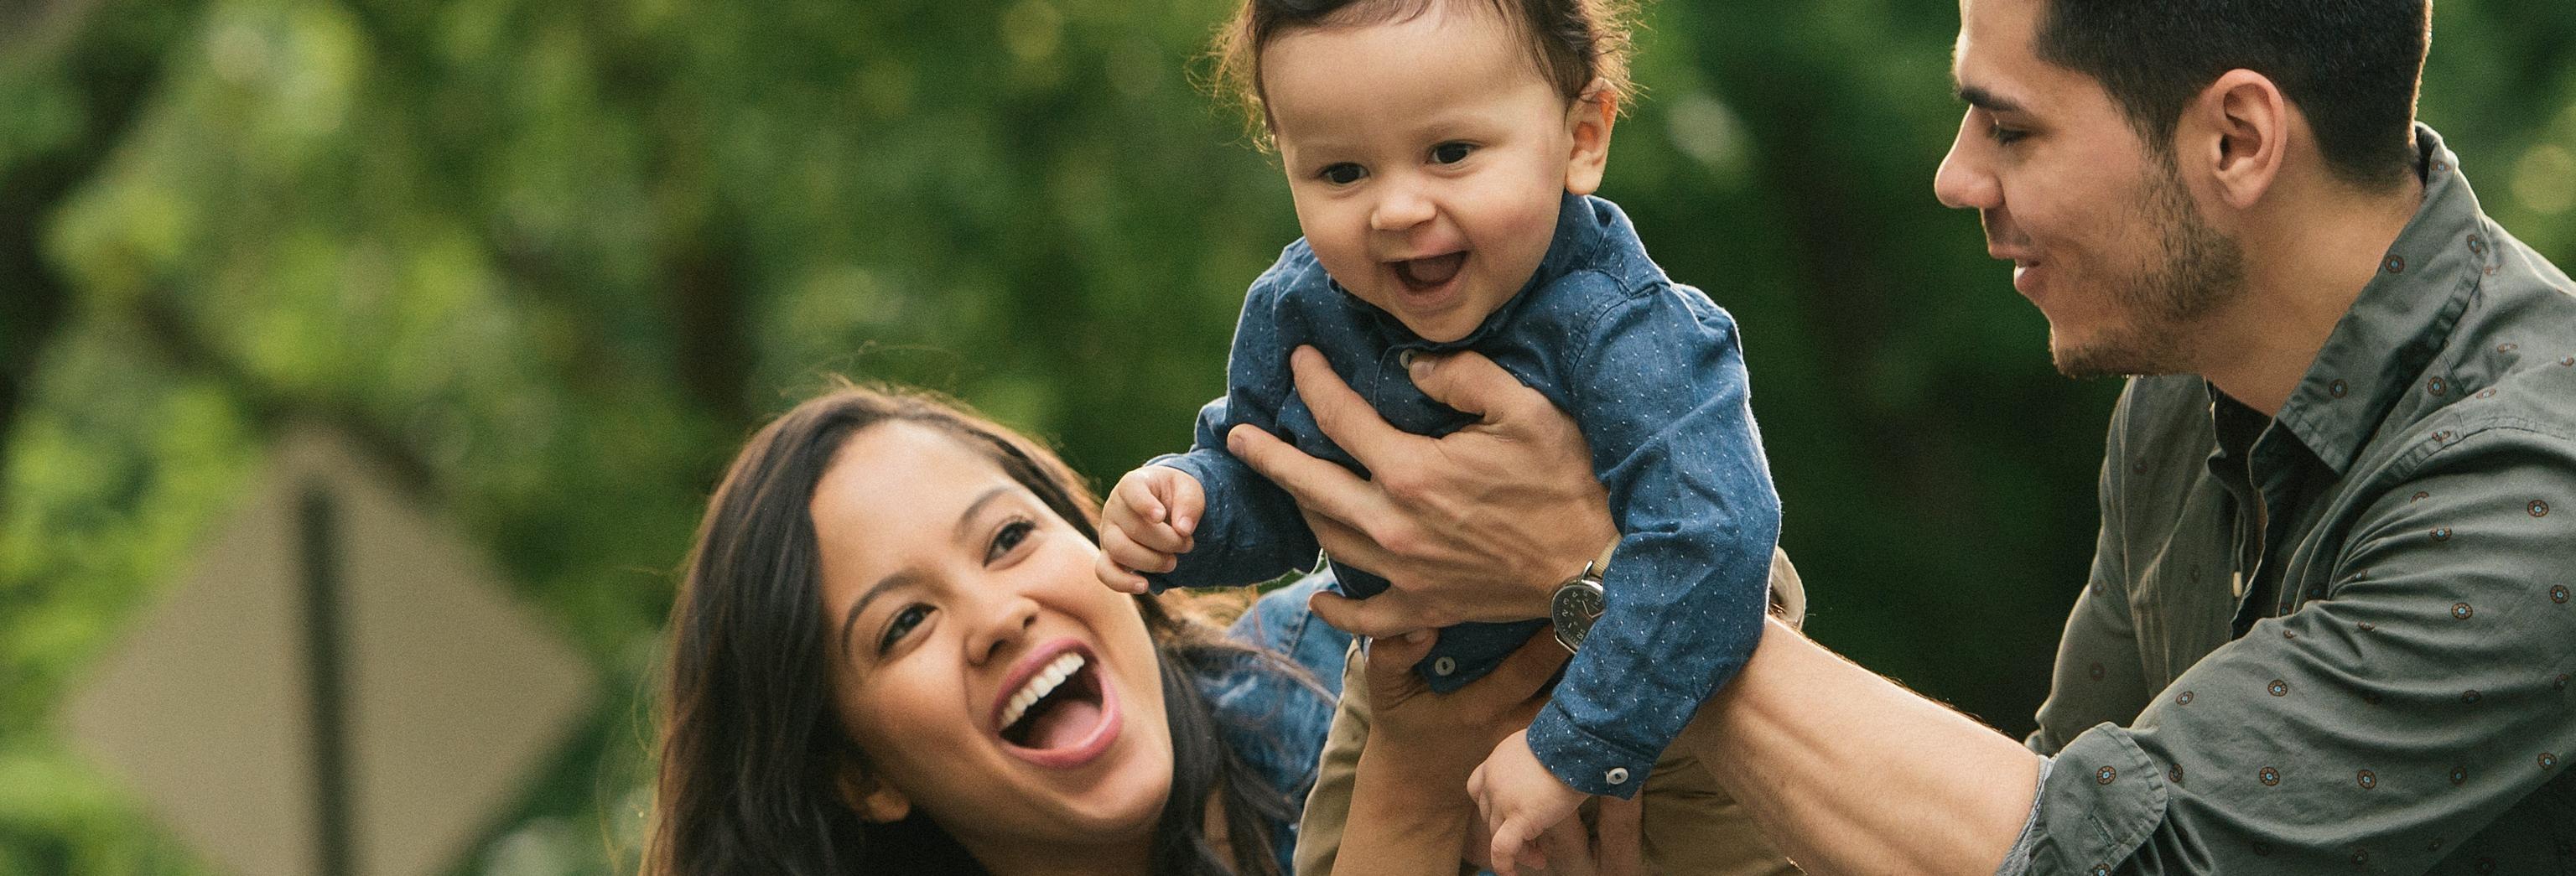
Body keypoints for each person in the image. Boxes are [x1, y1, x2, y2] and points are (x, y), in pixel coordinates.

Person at [1215, 0, 2576, 872]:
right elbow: (2039, 800)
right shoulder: (2186, 390)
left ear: (2234, 139)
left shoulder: (2532, 492)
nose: (1955, 175)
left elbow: (2114, 859)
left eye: (2008, 124)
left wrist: (1599, 574)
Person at [1090, 0, 1793, 871]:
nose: (1396, 207)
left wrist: (1568, 747)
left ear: (1581, 137)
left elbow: (1716, 538)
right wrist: (1183, 505)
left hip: (1667, 697)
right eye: (1341, 171)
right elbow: (1268, 482)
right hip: (1410, 683)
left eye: (1450, 154)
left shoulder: (1626, 328)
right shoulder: (1299, 307)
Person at [642, 383, 1634, 876]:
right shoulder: (1405, 750)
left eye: (1008, 538)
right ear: (859, 774)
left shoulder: (1369, 655)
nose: (996, 615)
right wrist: (1404, 803)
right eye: (904, 623)